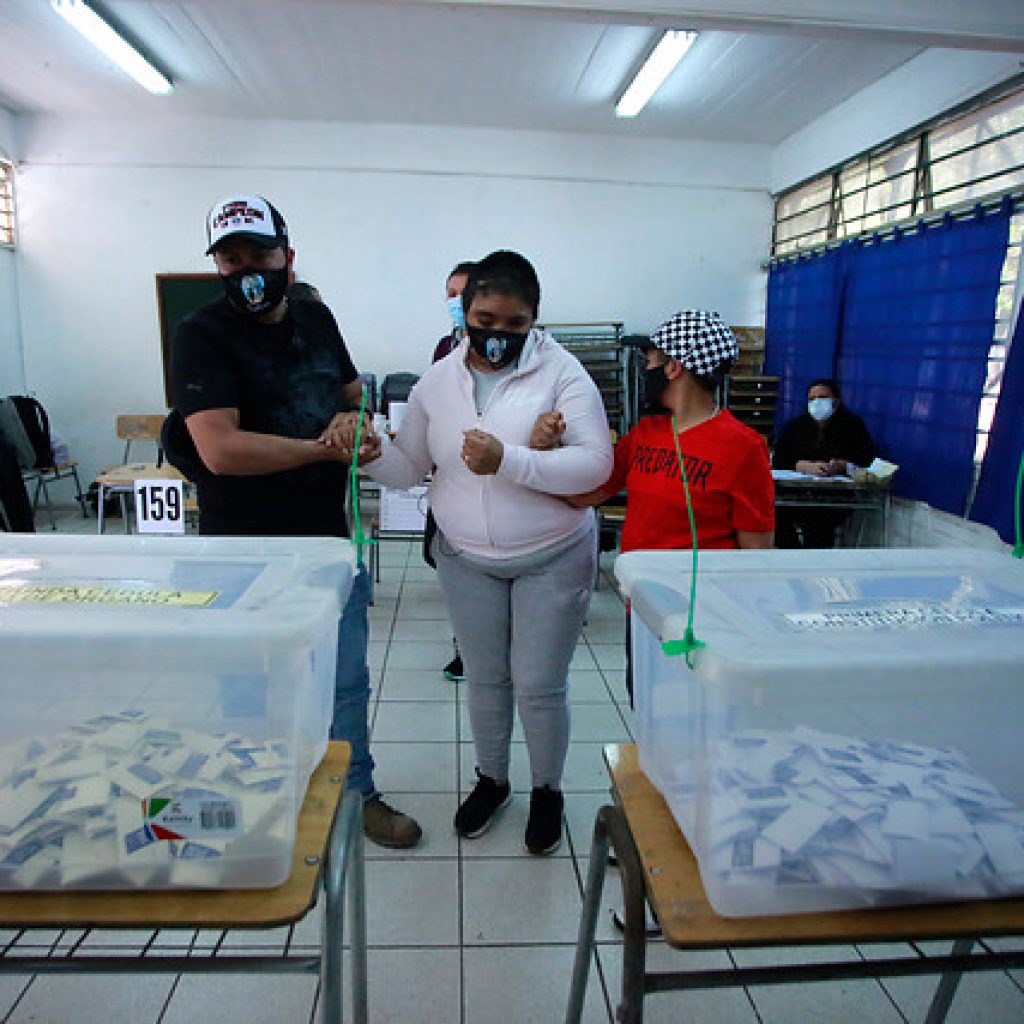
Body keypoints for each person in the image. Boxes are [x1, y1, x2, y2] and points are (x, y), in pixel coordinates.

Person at [325, 250, 613, 856]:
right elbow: (410, 470)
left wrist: (507, 459)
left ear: (534, 318)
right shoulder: (439, 380)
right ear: (465, 312)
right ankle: (493, 779)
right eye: (487, 318)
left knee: (537, 683)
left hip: (552, 553)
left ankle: (546, 789)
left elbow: (595, 463)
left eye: (515, 324)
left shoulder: (563, 374)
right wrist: (373, 451)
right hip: (466, 557)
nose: (499, 335)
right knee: (485, 678)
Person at [169, 194, 421, 849]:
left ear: (289, 257)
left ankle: (356, 793)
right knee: (248, 689)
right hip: (242, 554)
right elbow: (219, 450)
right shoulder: (201, 335)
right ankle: (256, 802)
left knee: (344, 685)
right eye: (231, 257)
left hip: (326, 545)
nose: (247, 268)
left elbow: (351, 397)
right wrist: (317, 448)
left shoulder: (316, 318)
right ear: (216, 266)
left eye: (261, 254)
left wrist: (354, 424)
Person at [561, 309, 775, 702]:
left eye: (652, 361)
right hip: (643, 608)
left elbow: (756, 552)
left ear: (674, 367)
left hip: (705, 617)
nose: (647, 370)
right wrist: (531, 462)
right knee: (645, 709)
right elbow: (588, 492)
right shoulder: (646, 434)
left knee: (698, 718)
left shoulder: (744, 447)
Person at [426, 261, 476, 683]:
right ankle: (465, 644)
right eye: (449, 293)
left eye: (462, 292)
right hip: (449, 470)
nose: (454, 301)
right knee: (445, 560)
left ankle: (476, 650)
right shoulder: (444, 346)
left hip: (486, 470)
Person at [772, 377, 876, 548]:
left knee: (818, 524)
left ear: (835, 402)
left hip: (834, 499)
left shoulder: (853, 427)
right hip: (794, 495)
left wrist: (842, 466)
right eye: (812, 399)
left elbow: (866, 461)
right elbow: (780, 459)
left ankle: (815, 567)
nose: (817, 403)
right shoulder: (795, 427)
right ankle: (795, 559)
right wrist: (804, 466)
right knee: (773, 517)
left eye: (822, 398)